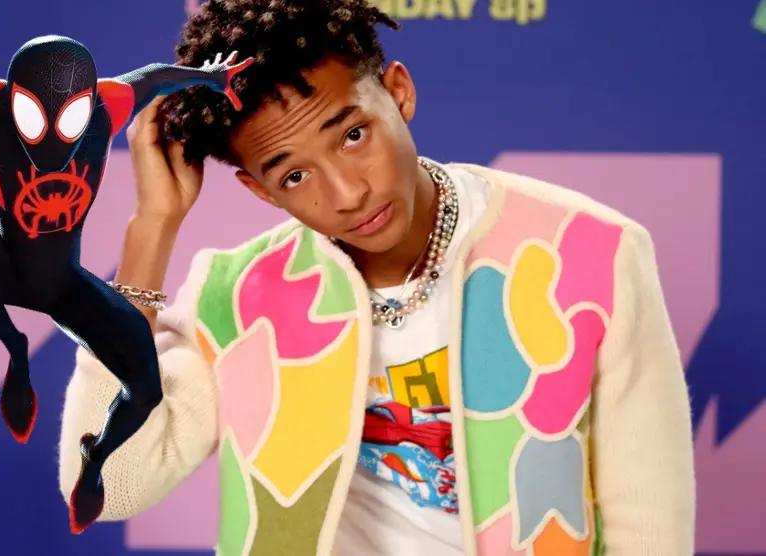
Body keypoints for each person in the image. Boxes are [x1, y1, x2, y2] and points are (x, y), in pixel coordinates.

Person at [58, 0, 696, 554]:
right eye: (294, 176)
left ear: (399, 92)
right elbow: (112, 486)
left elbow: (649, 524)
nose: (347, 193)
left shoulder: (590, 253)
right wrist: (151, 230)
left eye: (353, 134)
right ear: (260, 191)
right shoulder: (237, 297)